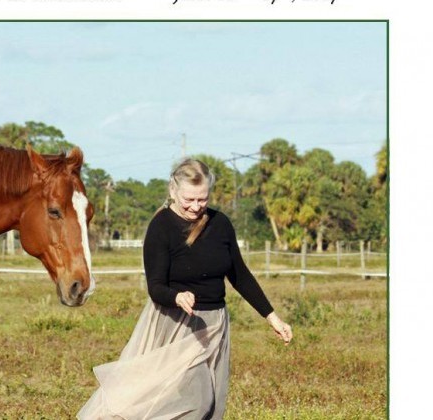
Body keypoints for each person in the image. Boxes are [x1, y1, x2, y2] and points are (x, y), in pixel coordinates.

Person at [78, 158, 292, 420]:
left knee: (213, 408)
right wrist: (177, 296)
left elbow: (240, 275)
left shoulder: (220, 223)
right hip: (177, 324)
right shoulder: (162, 226)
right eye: (189, 199)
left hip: (215, 325)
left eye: (202, 199)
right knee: (196, 401)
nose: (196, 207)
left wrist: (272, 317)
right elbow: (155, 287)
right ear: (173, 191)